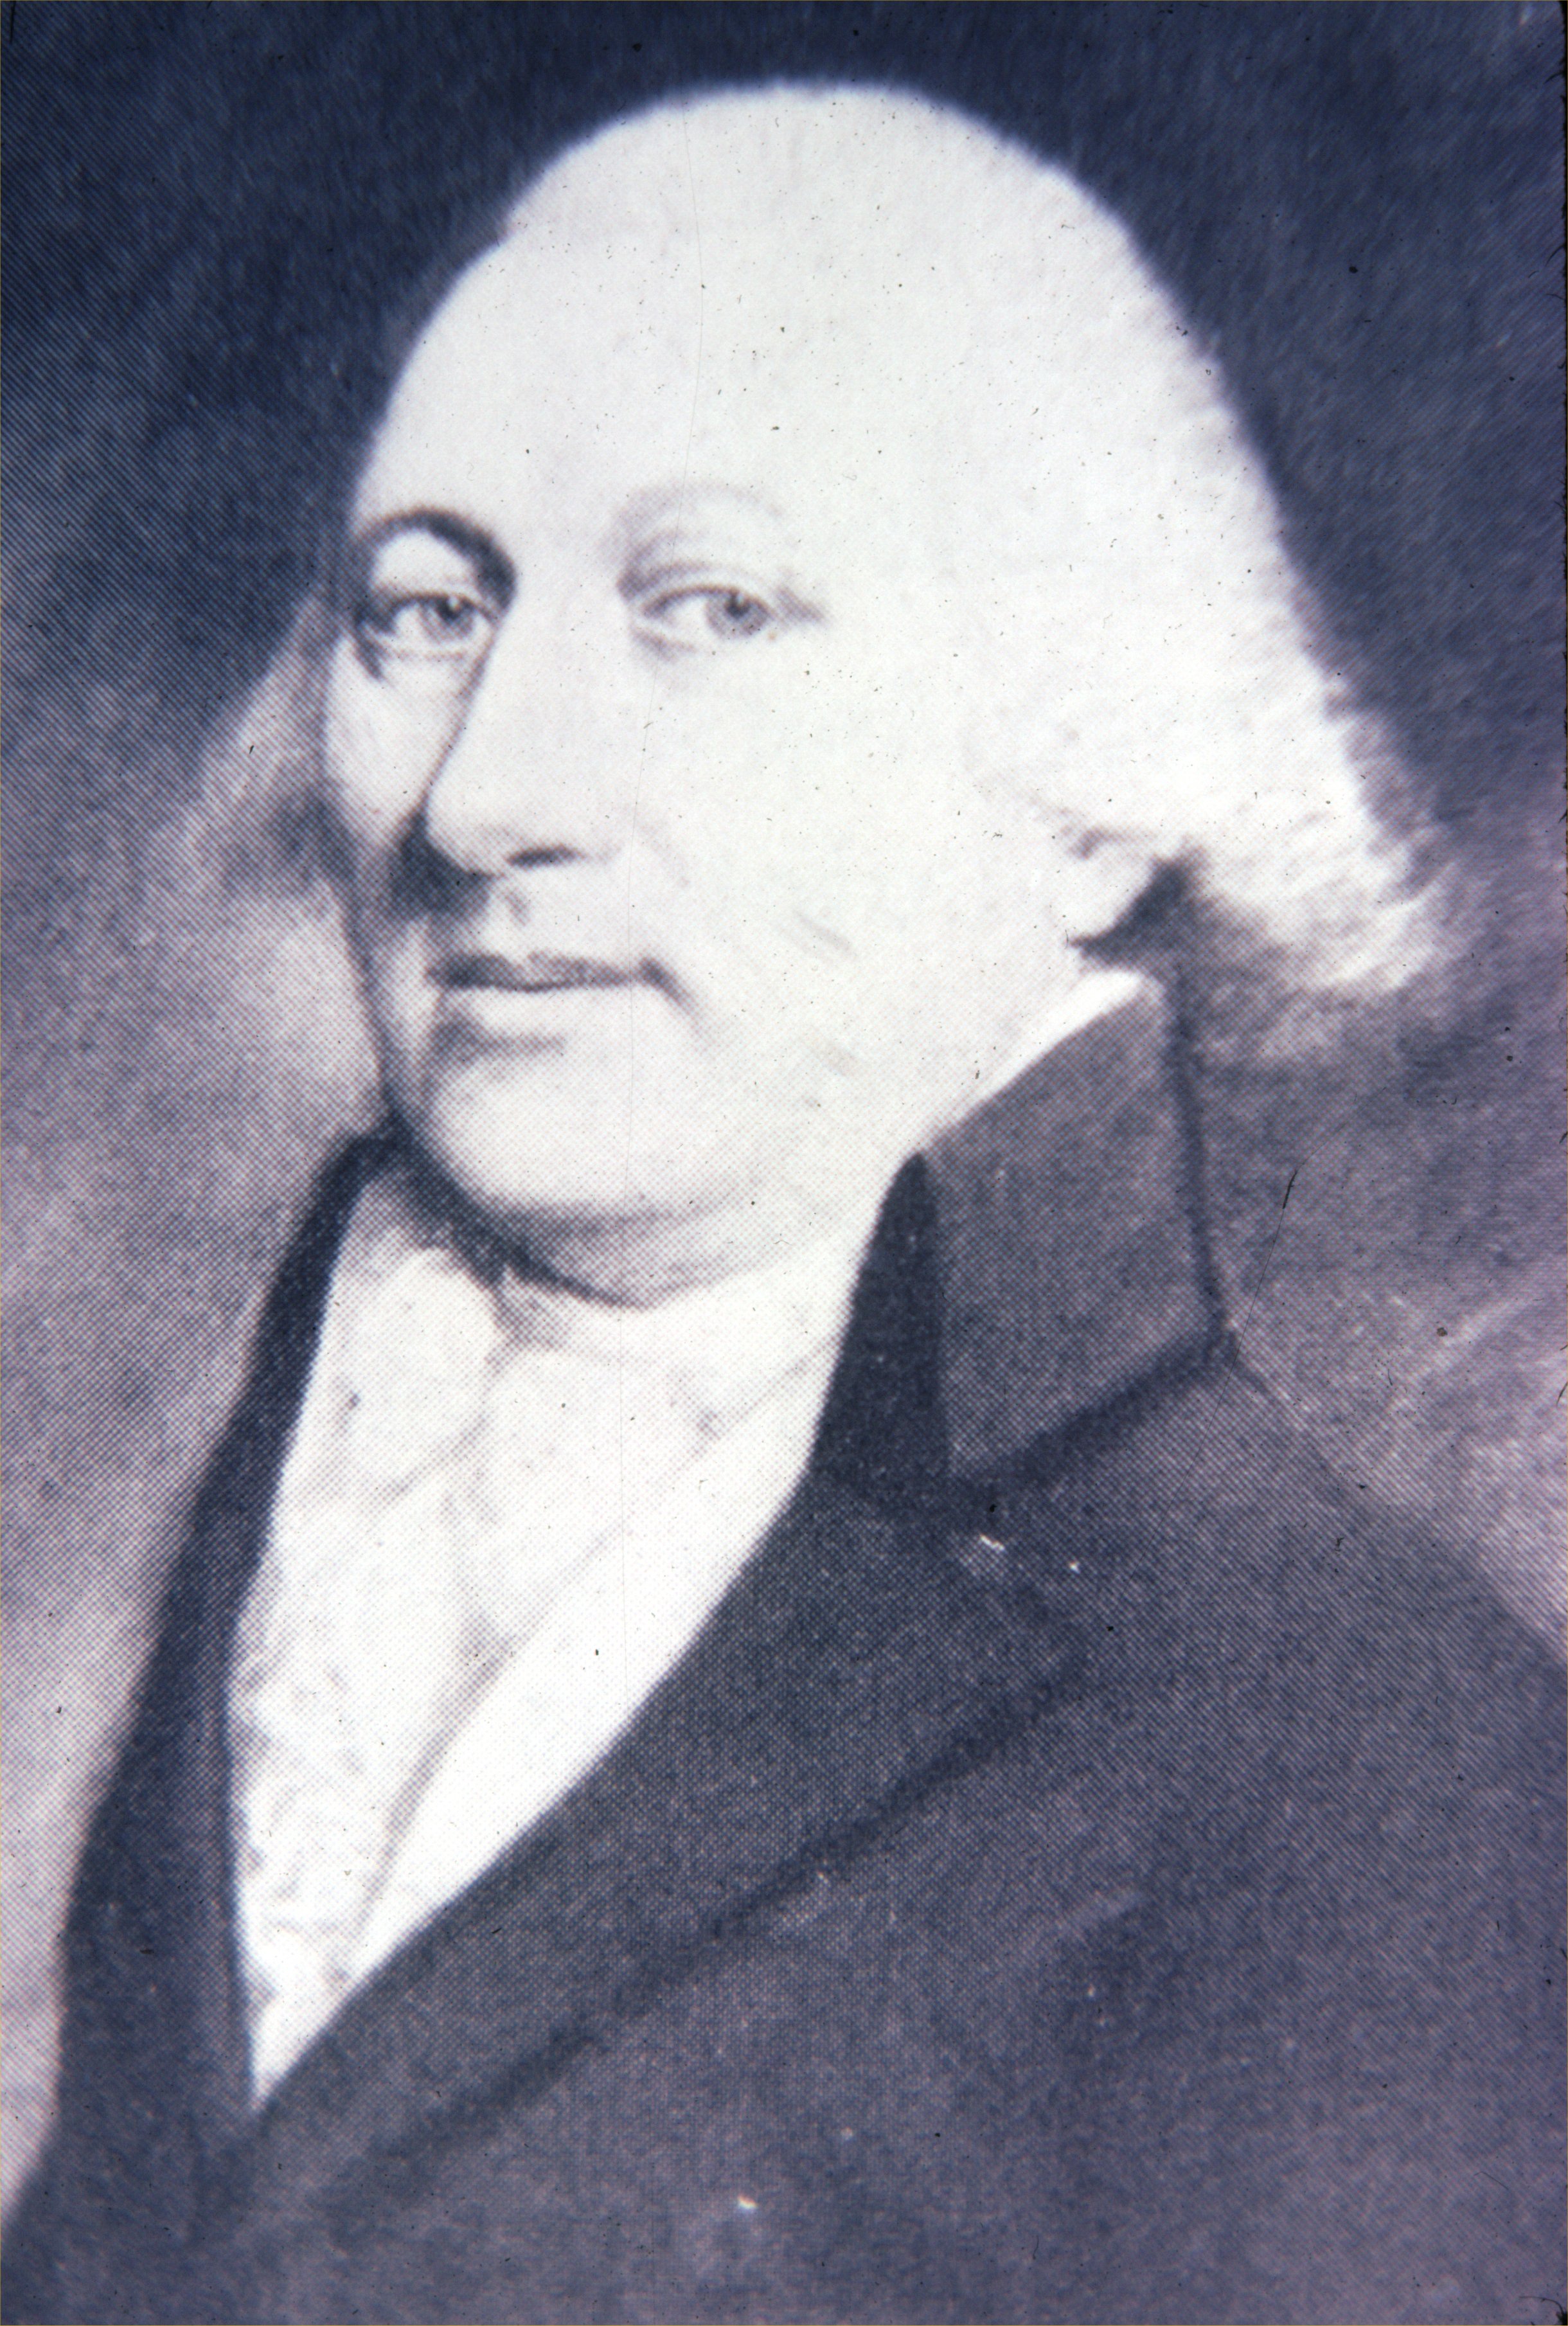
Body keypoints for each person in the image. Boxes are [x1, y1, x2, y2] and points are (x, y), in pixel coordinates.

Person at [4, 84, 1561, 2326]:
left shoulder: (1384, 1749)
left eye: (711, 608)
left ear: (1100, 778)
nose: (488, 795)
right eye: (424, 607)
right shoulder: (321, 1425)